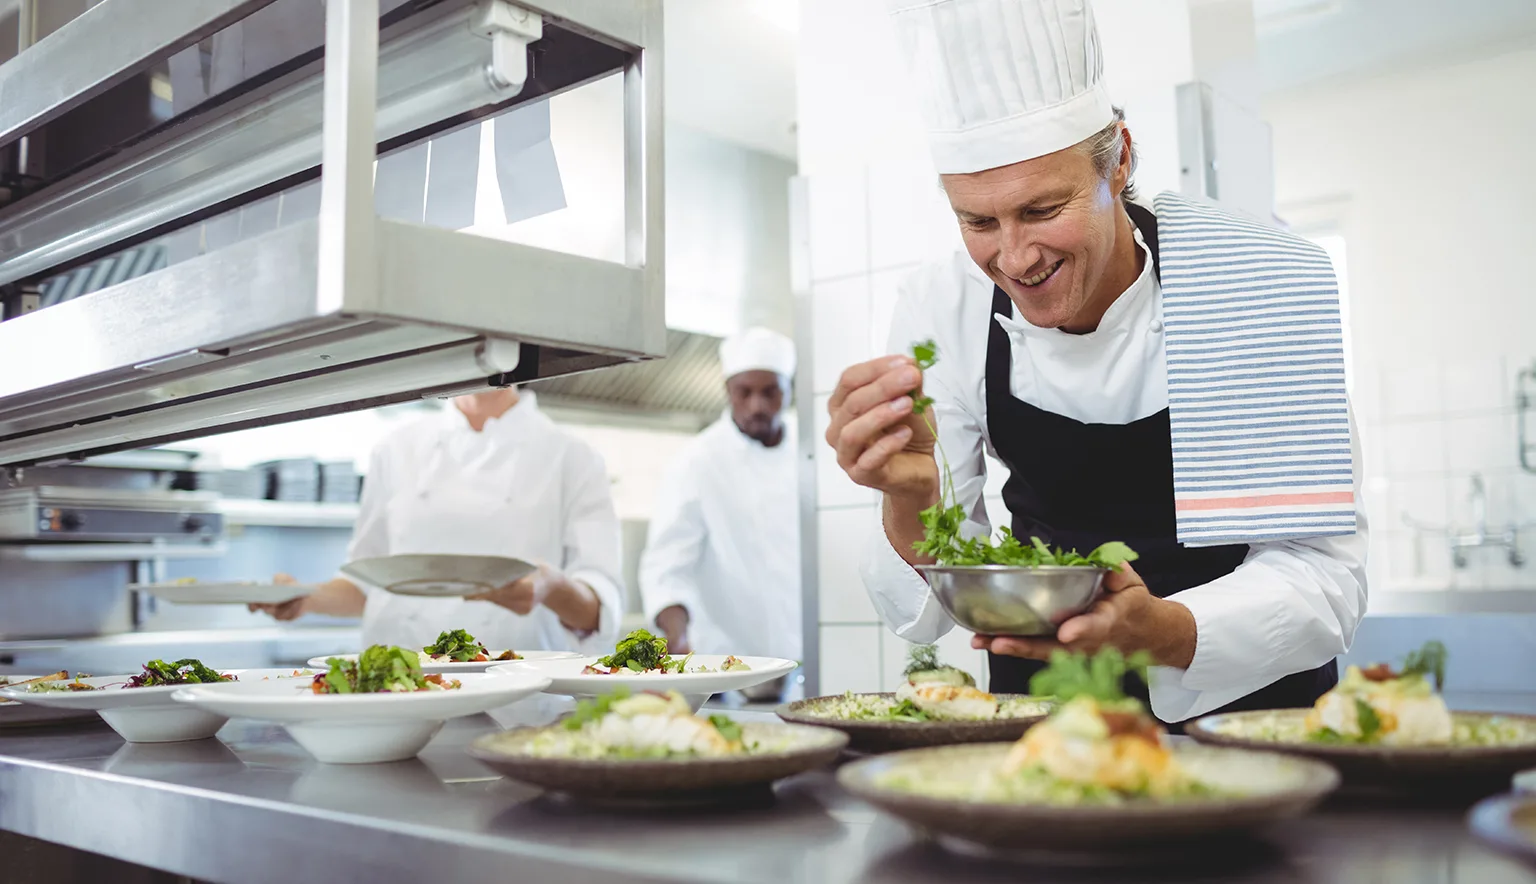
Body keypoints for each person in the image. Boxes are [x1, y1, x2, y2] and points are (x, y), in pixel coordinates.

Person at [826, 0, 1367, 725]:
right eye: (979, 222)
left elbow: (1326, 576)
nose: (1015, 259)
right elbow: (927, 616)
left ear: (1121, 161)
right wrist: (908, 501)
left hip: (1256, 725)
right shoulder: (941, 307)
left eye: (1044, 210)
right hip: (1046, 728)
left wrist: (1161, 631)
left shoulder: (1252, 279)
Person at [251, 387, 624, 653]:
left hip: (515, 706)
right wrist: (306, 598)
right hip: (397, 693)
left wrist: (552, 587)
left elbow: (598, 612)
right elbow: (368, 585)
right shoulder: (395, 449)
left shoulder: (572, 457)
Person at [639, 328, 801, 664]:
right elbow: (666, 566)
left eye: (770, 392)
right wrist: (677, 636)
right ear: (727, 390)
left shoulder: (811, 453)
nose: (757, 405)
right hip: (722, 667)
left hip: (804, 662)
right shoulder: (698, 461)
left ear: (788, 392)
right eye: (744, 392)